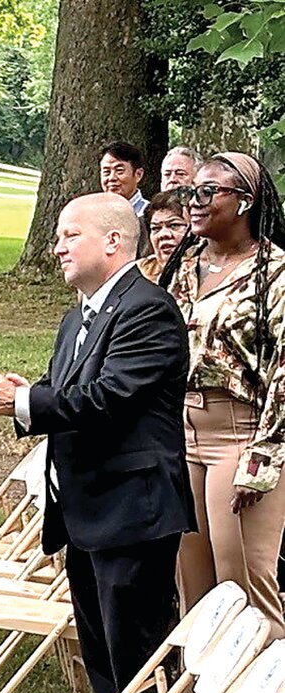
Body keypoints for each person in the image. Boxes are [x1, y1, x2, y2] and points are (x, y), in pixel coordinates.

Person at [0, 192, 193, 693]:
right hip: (86, 509)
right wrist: (27, 393)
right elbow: (65, 389)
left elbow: (106, 399)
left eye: (71, 235)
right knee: (102, 654)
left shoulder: (148, 311)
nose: (58, 247)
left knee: (136, 657)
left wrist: (25, 400)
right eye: (59, 235)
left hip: (132, 511)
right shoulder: (76, 317)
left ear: (113, 241)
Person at [164, 152, 285, 636]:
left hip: (241, 435)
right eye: (191, 191)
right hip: (179, 432)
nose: (194, 201)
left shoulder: (274, 273)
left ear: (245, 203)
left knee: (244, 591)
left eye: (208, 192)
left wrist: (263, 457)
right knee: (194, 589)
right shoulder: (184, 265)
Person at [138, 190, 189, 282]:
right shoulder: (138, 273)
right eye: (156, 228)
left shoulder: (207, 274)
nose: (163, 234)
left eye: (174, 225)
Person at [100, 140, 148, 217]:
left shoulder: (149, 214)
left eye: (119, 171)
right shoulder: (95, 214)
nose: (112, 178)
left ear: (138, 174)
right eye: (106, 172)